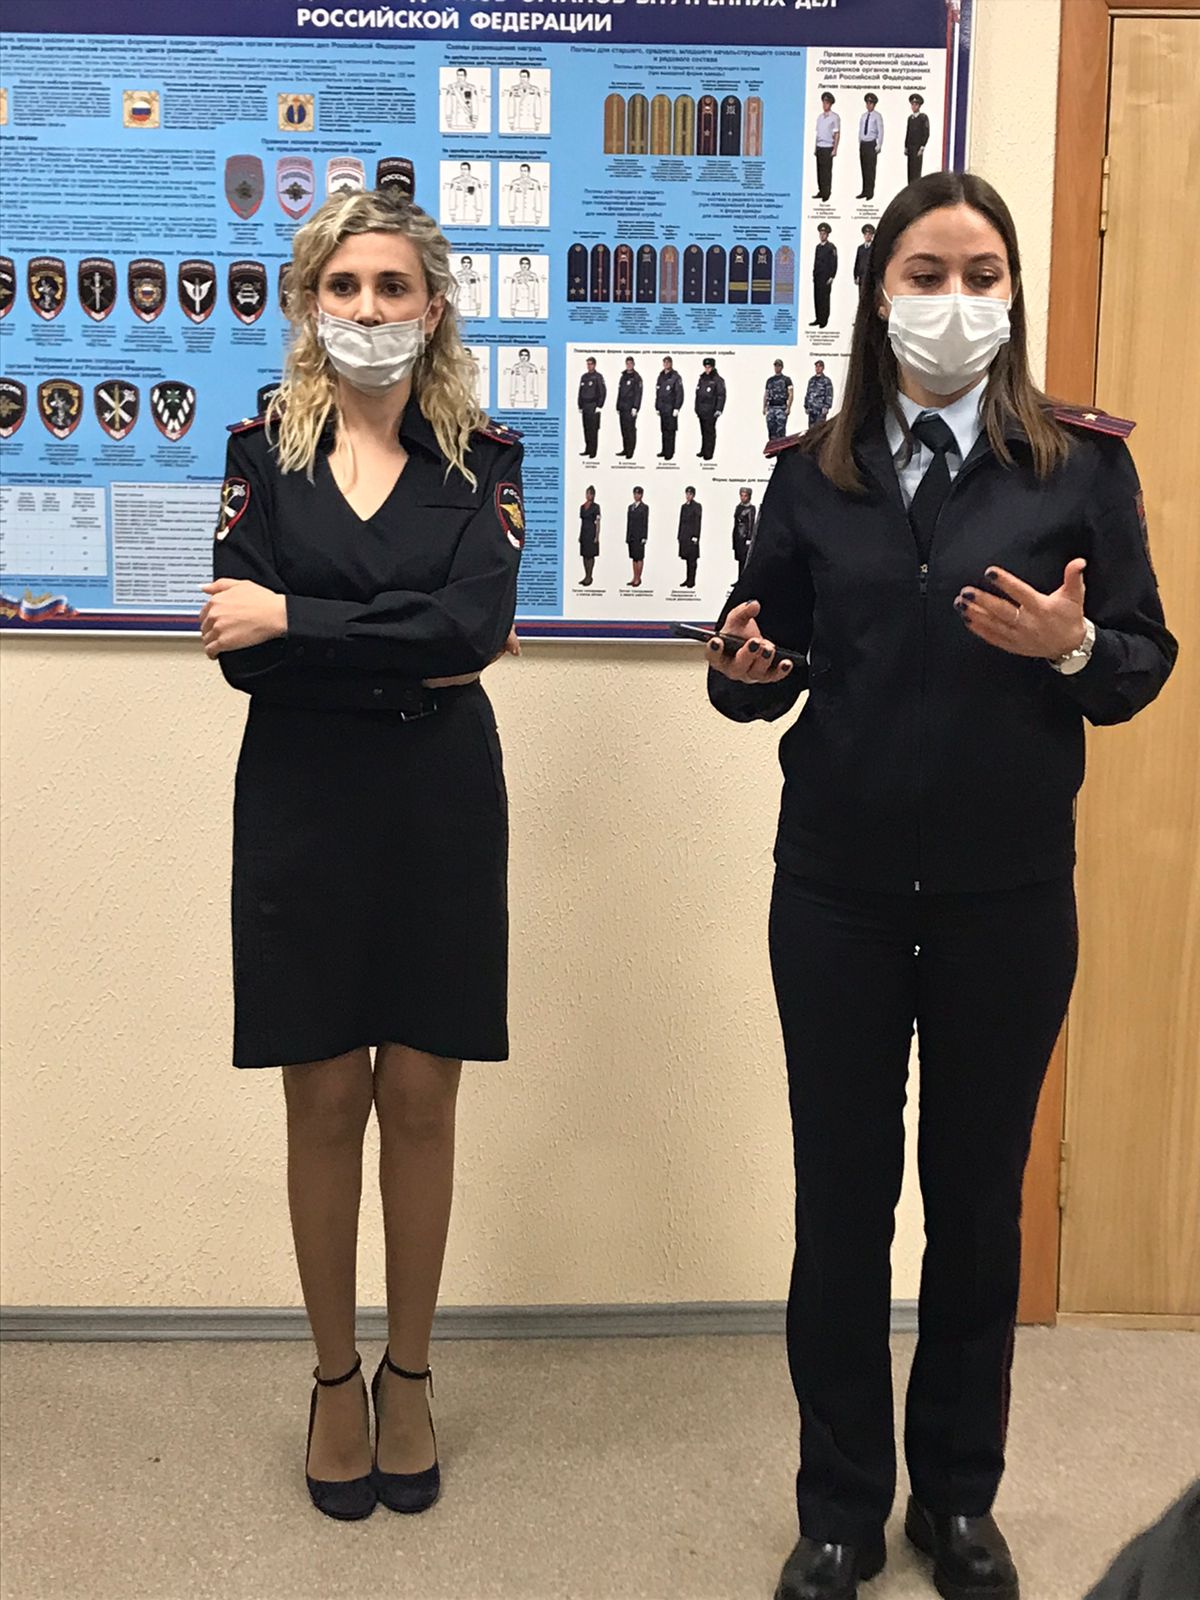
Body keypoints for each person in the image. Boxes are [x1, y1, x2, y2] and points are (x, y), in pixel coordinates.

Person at [702, 171, 1175, 1600]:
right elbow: (763, 665)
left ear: (1014, 294)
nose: (955, 299)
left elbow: (1140, 661)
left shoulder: (1076, 470)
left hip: (1005, 898)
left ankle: (958, 1500)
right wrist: (743, 672)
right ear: (878, 294)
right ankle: (842, 1506)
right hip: (835, 894)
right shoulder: (814, 471)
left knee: (974, 1208)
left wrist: (1068, 649)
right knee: (841, 1206)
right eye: (926, 272)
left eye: (982, 274)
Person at [202, 189, 526, 1524]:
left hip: (438, 803)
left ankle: (412, 1373)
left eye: (394, 287)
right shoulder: (260, 453)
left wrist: (300, 617)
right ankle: (336, 1378)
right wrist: (389, 630)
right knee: (325, 1097)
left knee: (426, 1097)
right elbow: (238, 653)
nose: (369, 310)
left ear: (433, 308)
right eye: (344, 287)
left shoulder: (482, 462)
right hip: (303, 802)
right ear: (308, 303)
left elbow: (474, 632)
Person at [695, 357, 725, 459]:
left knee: (710, 433)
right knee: (703, 432)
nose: (707, 369)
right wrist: (697, 408)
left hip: (711, 411)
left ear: (713, 367)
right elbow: (698, 394)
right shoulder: (702, 379)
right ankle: (703, 450)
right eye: (706, 367)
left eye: (709, 367)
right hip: (702, 410)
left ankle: (709, 453)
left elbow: (721, 395)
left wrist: (719, 409)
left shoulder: (718, 380)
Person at [656, 354, 684, 459]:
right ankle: (664, 450)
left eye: (668, 362)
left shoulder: (676, 377)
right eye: (665, 362)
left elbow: (679, 393)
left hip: (671, 409)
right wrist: (657, 406)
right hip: (663, 408)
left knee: (670, 431)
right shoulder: (661, 376)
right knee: (663, 431)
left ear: (671, 364)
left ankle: (670, 453)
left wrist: (677, 407)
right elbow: (658, 393)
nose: (666, 364)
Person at [813, 92, 839, 203]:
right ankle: (821, 191)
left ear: (831, 104)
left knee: (826, 172)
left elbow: (837, 134)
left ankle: (827, 193)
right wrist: (815, 148)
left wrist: (835, 149)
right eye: (823, 102)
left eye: (827, 103)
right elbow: (817, 134)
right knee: (819, 172)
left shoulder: (834, 117)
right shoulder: (820, 117)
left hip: (828, 147)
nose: (825, 105)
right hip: (820, 147)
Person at [856, 93, 883, 201]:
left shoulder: (877, 116)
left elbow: (880, 131)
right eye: (867, 103)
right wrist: (860, 141)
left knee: (870, 169)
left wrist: (879, 144)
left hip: (871, 144)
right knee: (864, 168)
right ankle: (864, 191)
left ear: (874, 104)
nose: (868, 105)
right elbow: (860, 129)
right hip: (864, 144)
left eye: (871, 103)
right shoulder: (863, 116)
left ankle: (870, 192)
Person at [578, 356, 605, 459]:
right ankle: (587, 449)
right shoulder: (584, 377)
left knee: (593, 430)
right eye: (588, 364)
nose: (589, 366)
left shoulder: (598, 377)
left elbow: (603, 392)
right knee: (586, 429)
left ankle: (593, 452)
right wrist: (580, 405)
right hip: (585, 406)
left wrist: (599, 405)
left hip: (593, 406)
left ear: (594, 365)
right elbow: (580, 392)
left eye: (591, 364)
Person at [616, 355, 643, 458]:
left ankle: (630, 452)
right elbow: (620, 392)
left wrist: (635, 407)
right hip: (622, 407)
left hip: (630, 408)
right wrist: (618, 406)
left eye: (630, 363)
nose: (629, 365)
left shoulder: (637, 377)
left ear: (634, 364)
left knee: (630, 430)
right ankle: (625, 449)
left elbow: (638, 394)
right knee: (623, 429)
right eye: (627, 363)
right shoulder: (623, 376)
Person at [811, 224, 837, 328]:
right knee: (817, 298)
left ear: (827, 235)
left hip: (826, 278)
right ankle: (818, 318)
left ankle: (824, 320)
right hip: (818, 277)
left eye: (824, 234)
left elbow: (834, 262)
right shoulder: (818, 247)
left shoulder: (831, 247)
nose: (822, 236)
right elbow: (816, 262)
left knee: (825, 299)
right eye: (820, 234)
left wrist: (832, 276)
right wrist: (814, 274)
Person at [764, 359, 794, 441]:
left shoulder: (786, 379)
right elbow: (766, 394)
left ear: (782, 367)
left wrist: (788, 408)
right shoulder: (770, 380)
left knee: (780, 431)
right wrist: (764, 407)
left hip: (781, 408)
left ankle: (781, 447)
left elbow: (791, 394)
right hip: (771, 408)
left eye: (778, 366)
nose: (777, 367)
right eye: (775, 366)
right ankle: (773, 447)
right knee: (771, 430)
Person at [677, 485, 702, 586]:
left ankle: (692, 580)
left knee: (692, 559)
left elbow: (697, 522)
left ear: (693, 495)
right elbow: (681, 522)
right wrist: (679, 536)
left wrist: (696, 536)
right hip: (684, 536)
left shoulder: (697, 506)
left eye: (690, 494)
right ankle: (687, 579)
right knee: (687, 558)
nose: (688, 496)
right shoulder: (684, 507)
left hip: (692, 537)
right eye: (687, 494)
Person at [578, 484, 600, 585]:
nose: (588, 495)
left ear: (593, 495)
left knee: (590, 556)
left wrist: (597, 536)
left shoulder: (596, 507)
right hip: (584, 532)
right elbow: (582, 522)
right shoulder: (582, 507)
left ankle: (589, 577)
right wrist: (580, 535)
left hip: (591, 532)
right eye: (587, 493)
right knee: (584, 555)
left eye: (590, 494)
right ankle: (585, 575)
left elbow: (598, 522)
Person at [626, 485, 648, 585]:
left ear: (641, 495)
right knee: (634, 557)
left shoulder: (644, 507)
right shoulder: (630, 507)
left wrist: (644, 537)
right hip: (632, 536)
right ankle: (634, 577)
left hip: (639, 536)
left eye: (638, 494)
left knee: (639, 557)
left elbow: (645, 523)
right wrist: (627, 536)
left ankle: (638, 578)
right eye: (635, 493)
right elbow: (629, 523)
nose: (636, 495)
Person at [906, 93, 930, 184]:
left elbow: (926, 133)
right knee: (910, 169)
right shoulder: (910, 118)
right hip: (910, 147)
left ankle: (916, 188)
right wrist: (906, 146)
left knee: (916, 169)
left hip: (918, 147)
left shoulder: (923, 117)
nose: (913, 106)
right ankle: (910, 187)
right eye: (912, 104)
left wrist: (922, 147)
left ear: (919, 106)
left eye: (916, 104)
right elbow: (908, 133)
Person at [732, 487, 756, 576]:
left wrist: (749, 538)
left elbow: (751, 523)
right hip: (737, 537)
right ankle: (740, 578)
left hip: (744, 537)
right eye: (741, 495)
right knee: (740, 560)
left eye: (745, 496)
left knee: (744, 560)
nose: (743, 498)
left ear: (749, 497)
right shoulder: (738, 507)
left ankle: (743, 579)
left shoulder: (751, 508)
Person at [804, 360, 834, 429]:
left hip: (820, 410)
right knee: (811, 430)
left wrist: (826, 407)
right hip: (811, 410)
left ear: (823, 368)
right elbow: (808, 394)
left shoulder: (826, 380)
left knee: (819, 430)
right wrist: (806, 406)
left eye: (819, 366)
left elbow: (829, 394)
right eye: (816, 366)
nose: (817, 368)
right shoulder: (811, 380)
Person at [854, 224, 875, 290]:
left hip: (870, 277)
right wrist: (856, 276)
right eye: (866, 234)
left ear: (872, 236)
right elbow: (857, 262)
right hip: (861, 277)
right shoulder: (860, 248)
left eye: (869, 234)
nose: (867, 236)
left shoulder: (874, 248)